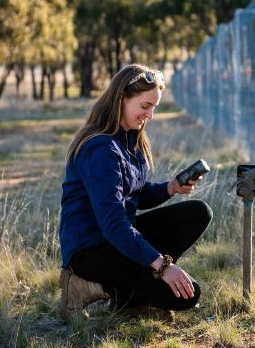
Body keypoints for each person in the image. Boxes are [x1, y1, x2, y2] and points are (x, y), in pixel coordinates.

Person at [58, 63, 213, 320]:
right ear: (121, 99)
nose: (150, 115)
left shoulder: (130, 138)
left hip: (117, 240)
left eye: (154, 107)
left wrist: (171, 187)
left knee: (198, 213)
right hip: (91, 249)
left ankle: (128, 301)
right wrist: (163, 267)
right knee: (187, 295)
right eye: (145, 106)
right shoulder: (101, 149)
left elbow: (134, 193)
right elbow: (113, 223)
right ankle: (81, 285)